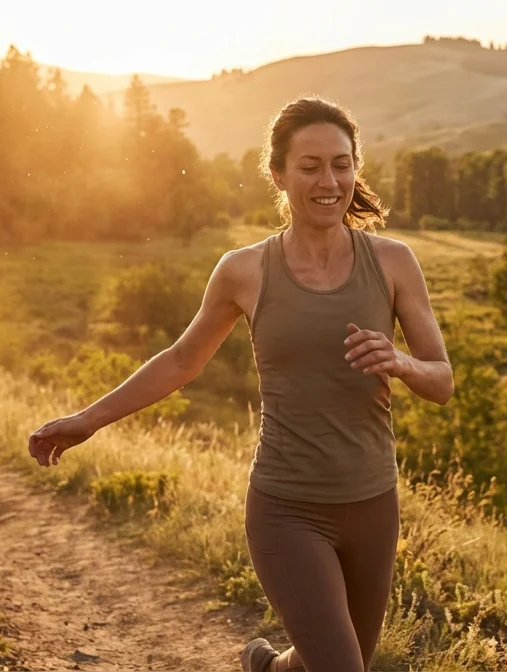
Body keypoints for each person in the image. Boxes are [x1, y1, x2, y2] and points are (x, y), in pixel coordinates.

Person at [26, 98, 453, 672]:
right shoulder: (245, 270)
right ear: (277, 174)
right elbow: (181, 361)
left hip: (374, 503)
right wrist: (87, 420)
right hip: (287, 507)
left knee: (326, 659)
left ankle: (267, 668)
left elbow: (442, 381)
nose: (329, 181)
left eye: (341, 164)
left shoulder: (393, 262)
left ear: (355, 168)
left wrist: (402, 363)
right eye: (309, 167)